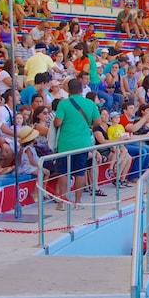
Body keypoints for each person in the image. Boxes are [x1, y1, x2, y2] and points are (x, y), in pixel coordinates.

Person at [53, 77, 99, 211]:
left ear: (67, 89)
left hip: (66, 143)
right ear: (81, 89)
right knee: (80, 173)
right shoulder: (90, 103)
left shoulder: (63, 104)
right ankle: (77, 202)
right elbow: (97, 122)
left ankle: (61, 203)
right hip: (82, 143)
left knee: (63, 173)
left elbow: (58, 122)